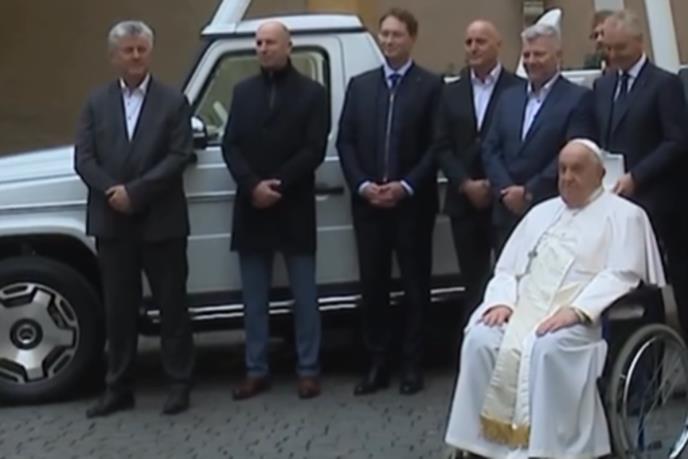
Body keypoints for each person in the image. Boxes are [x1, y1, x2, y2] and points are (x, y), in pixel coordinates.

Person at [444, 138, 665, 458]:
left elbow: (621, 275)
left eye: (577, 169)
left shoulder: (626, 215)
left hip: (585, 317)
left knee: (546, 348)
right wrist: (502, 302)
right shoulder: (540, 213)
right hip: (524, 307)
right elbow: (507, 269)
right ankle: (483, 445)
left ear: (600, 174)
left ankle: (548, 449)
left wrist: (578, 310)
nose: (567, 177)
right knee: (480, 338)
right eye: (562, 169)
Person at [75, 20, 195, 417]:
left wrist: (136, 192)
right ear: (114, 57)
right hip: (112, 221)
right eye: (128, 50)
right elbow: (84, 158)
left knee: (172, 307)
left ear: (150, 52)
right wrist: (114, 191)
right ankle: (118, 388)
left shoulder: (173, 101)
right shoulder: (95, 102)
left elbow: (179, 155)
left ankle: (178, 384)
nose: (136, 56)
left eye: (141, 49)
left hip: (162, 220)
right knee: (119, 310)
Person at [337, 8, 442, 396]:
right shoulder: (360, 86)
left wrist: (406, 185)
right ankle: (377, 364)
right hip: (369, 207)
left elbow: (437, 145)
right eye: (384, 34)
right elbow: (345, 141)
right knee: (374, 288)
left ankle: (412, 365)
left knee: (415, 289)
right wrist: (363, 185)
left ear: (411, 38)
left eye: (396, 35)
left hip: (412, 206)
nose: (389, 41)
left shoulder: (431, 86)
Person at [222, 21, 328, 400]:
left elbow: (314, 148)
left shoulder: (312, 93)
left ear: (288, 47)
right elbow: (230, 145)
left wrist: (278, 184)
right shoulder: (243, 92)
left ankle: (308, 369)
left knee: (305, 296)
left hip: (292, 203)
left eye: (270, 42)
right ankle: (256, 369)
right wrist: (253, 185)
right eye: (259, 42)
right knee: (254, 299)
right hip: (252, 205)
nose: (263, 48)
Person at [593, 9, 688, 334]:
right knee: (629, 282)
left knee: (672, 279)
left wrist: (637, 176)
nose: (613, 55)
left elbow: (677, 140)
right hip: (616, 199)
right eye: (608, 48)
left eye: (620, 47)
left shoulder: (664, 84)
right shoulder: (604, 85)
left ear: (638, 42)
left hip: (659, 200)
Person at [433, 19, 523, 314]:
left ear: (498, 45)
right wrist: (465, 183)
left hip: (505, 201)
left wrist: (497, 185)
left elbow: (520, 144)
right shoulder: (450, 92)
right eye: (469, 42)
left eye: (481, 41)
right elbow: (441, 145)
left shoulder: (518, 89)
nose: (473, 48)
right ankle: (476, 336)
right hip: (464, 202)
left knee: (512, 280)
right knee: (473, 284)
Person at [482, 23, 594, 252]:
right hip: (506, 213)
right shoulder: (508, 98)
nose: (531, 61)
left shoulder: (578, 99)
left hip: (552, 209)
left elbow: (573, 152)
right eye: (526, 55)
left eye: (539, 54)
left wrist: (529, 191)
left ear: (558, 56)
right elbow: (491, 148)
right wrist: (506, 190)